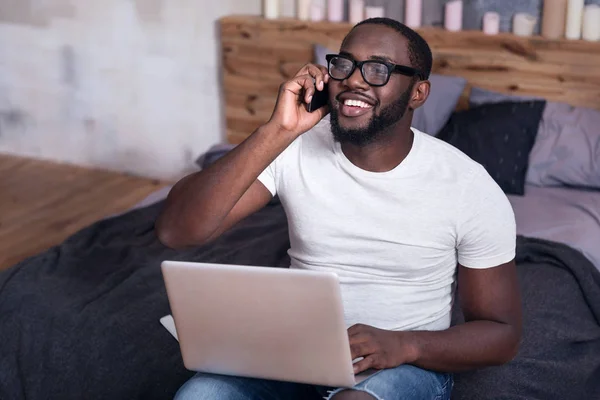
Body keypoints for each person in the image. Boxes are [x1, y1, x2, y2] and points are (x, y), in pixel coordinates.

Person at [156, 17, 522, 400]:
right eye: (344, 65)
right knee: (201, 395)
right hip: (294, 355)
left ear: (418, 92)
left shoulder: (468, 186)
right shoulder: (292, 146)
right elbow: (177, 232)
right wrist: (277, 131)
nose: (354, 80)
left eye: (378, 69)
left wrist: (406, 345)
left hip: (402, 368)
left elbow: (501, 333)